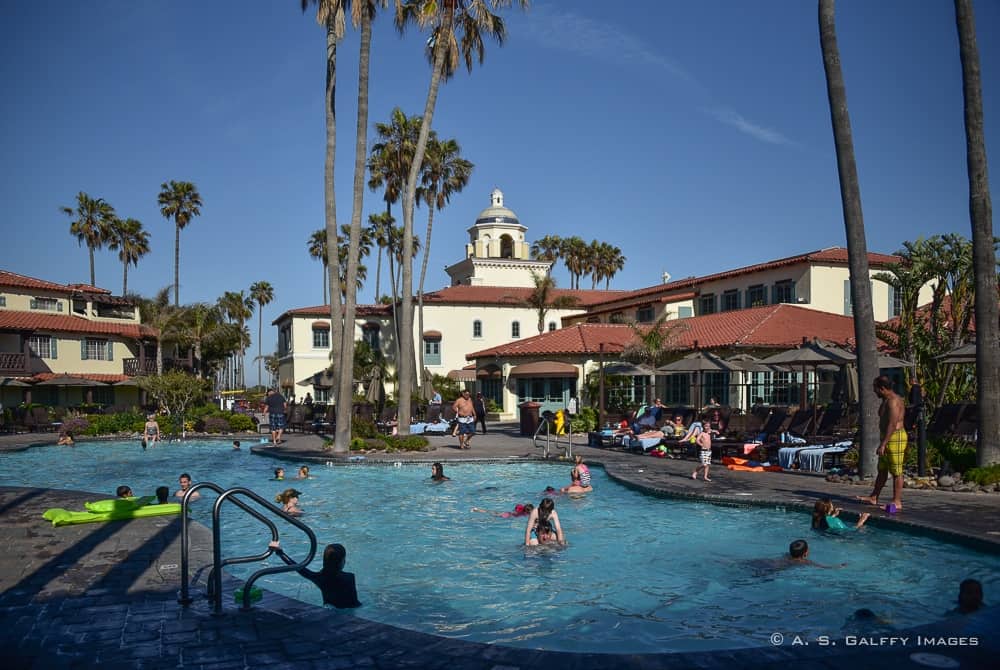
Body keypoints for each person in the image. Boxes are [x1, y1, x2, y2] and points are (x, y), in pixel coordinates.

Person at [858, 376, 907, 511]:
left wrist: (884, 444)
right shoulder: (886, 400)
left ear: (882, 388)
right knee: (882, 469)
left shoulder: (893, 402)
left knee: (897, 471)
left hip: (895, 438)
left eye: (875, 389)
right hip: (887, 437)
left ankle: (897, 501)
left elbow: (892, 424)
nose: (874, 392)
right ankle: (874, 497)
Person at [269, 540, 361, 608]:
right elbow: (355, 604)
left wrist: (280, 552)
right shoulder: (349, 577)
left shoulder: (319, 578)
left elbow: (298, 567)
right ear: (342, 562)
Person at [691, 416, 713, 481]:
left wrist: (716, 431)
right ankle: (695, 471)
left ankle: (705, 476)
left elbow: (713, 431)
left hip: (709, 451)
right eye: (706, 426)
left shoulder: (709, 433)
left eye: (708, 426)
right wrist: (701, 444)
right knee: (704, 464)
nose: (707, 427)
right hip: (703, 450)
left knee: (707, 464)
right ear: (703, 427)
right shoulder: (702, 433)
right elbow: (697, 440)